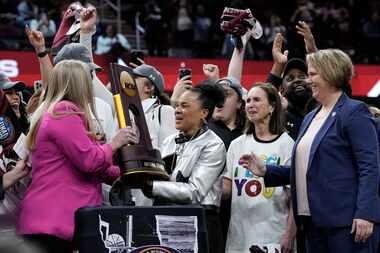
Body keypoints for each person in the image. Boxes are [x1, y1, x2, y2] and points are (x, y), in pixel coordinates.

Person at [240, 49, 380, 253]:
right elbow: (308, 169)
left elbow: (369, 166)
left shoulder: (353, 112)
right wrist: (267, 171)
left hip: (347, 224)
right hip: (312, 223)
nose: (308, 81)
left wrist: (366, 213)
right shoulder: (310, 117)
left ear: (330, 74)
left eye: (312, 74)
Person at [16, 60, 139, 253]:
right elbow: (90, 161)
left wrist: (131, 172)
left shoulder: (57, 113)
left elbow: (97, 168)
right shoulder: (63, 112)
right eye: (88, 79)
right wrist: (115, 143)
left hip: (49, 221)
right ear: (79, 84)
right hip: (54, 221)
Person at [142, 82, 226, 253]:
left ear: (204, 113)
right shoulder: (169, 141)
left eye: (185, 106)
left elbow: (194, 192)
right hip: (165, 219)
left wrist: (152, 187)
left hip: (200, 223)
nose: (177, 110)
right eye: (177, 105)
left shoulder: (214, 145)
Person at [224, 83, 296, 253]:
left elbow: (295, 198)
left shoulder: (287, 144)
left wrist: (289, 235)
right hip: (238, 238)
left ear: (272, 106)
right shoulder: (237, 145)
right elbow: (227, 189)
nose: (250, 104)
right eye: (248, 100)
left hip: (274, 236)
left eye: (257, 100)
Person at [130, 64, 177, 206]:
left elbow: (168, 156)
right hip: (125, 193)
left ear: (148, 88)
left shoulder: (164, 111)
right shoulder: (123, 112)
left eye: (134, 79)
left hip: (150, 195)